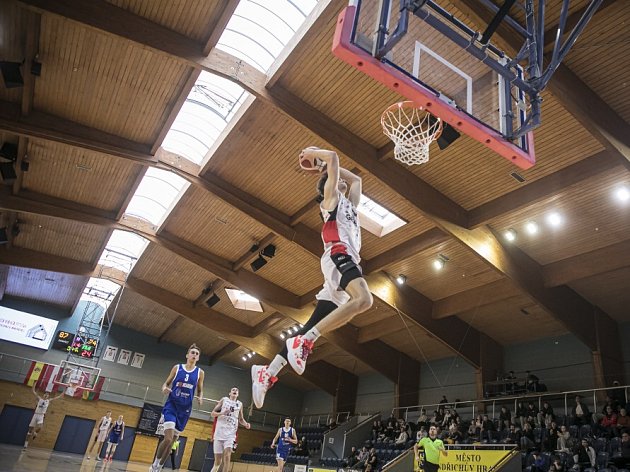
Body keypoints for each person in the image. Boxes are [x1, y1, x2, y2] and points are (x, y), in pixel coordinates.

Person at [252, 147, 372, 408]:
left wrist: (330, 169)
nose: (341, 179)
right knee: (363, 300)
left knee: (318, 320)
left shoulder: (350, 205)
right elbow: (334, 159)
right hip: (339, 255)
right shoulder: (329, 201)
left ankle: (267, 373)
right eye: (334, 178)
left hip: (346, 261)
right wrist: (318, 157)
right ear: (328, 184)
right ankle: (306, 340)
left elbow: (357, 181)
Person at [150, 344, 204, 472]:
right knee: (167, 439)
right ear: (187, 355)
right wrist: (164, 388)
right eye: (192, 352)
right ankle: (154, 464)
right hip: (172, 406)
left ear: (198, 358)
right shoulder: (177, 367)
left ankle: (160, 467)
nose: (194, 355)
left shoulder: (200, 373)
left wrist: (200, 397)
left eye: (197, 354)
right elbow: (166, 383)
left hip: (184, 410)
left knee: (172, 442)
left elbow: (200, 390)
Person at [211, 387, 250, 472]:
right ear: (230, 393)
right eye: (233, 390)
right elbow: (213, 413)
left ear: (238, 394)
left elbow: (241, 419)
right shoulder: (224, 400)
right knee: (217, 462)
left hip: (231, 434)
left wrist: (246, 424)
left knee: (227, 455)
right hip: (219, 433)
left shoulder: (239, 404)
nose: (235, 391)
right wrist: (222, 413)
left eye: (237, 390)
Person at [23, 384, 64, 449]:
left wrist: (64, 391)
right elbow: (33, 391)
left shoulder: (48, 400)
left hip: (41, 415)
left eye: (47, 395)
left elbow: (58, 397)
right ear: (43, 395)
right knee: (29, 431)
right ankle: (25, 444)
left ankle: (35, 432)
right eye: (45, 394)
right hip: (36, 414)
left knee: (40, 427)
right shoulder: (40, 399)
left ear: (48, 396)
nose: (46, 395)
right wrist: (34, 384)